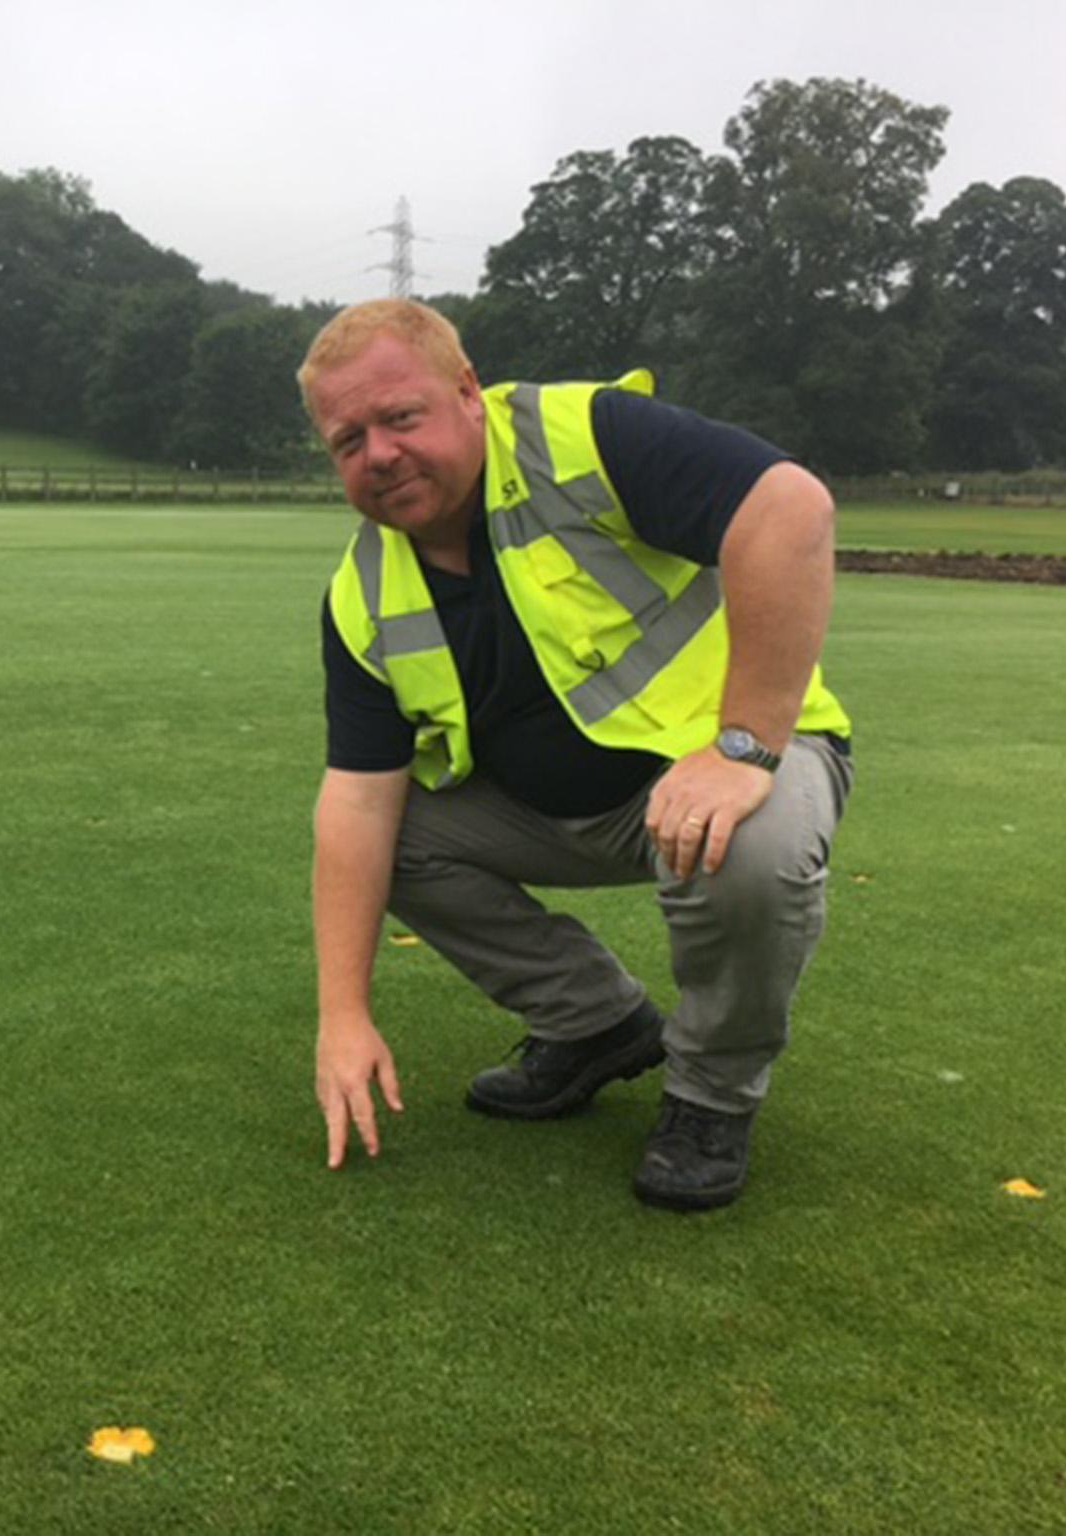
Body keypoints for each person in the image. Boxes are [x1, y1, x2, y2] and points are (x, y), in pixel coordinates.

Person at [300, 299, 854, 1211]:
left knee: (747, 852)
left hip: (736, 759)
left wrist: (745, 746)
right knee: (385, 843)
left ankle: (711, 1094)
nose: (379, 455)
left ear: (468, 392)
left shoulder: (580, 436)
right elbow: (357, 804)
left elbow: (791, 508)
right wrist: (343, 1016)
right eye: (347, 440)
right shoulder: (360, 595)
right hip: (560, 814)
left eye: (401, 418)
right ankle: (595, 1024)